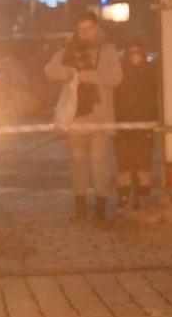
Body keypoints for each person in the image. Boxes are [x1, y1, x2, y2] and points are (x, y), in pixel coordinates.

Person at [45, 12, 122, 223]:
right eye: (82, 29)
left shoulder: (108, 49)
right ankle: (79, 209)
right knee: (77, 162)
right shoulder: (68, 49)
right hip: (75, 116)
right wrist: (68, 72)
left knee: (100, 163)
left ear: (97, 28)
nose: (86, 33)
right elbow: (50, 70)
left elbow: (116, 77)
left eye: (90, 28)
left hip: (100, 116)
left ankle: (100, 209)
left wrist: (91, 76)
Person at [113, 42, 159, 211]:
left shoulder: (150, 73)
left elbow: (155, 98)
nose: (135, 55)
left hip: (144, 126)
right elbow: (115, 100)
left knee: (143, 166)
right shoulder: (120, 73)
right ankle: (123, 198)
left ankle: (143, 198)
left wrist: (153, 121)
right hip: (123, 126)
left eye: (138, 52)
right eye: (131, 52)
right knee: (124, 166)